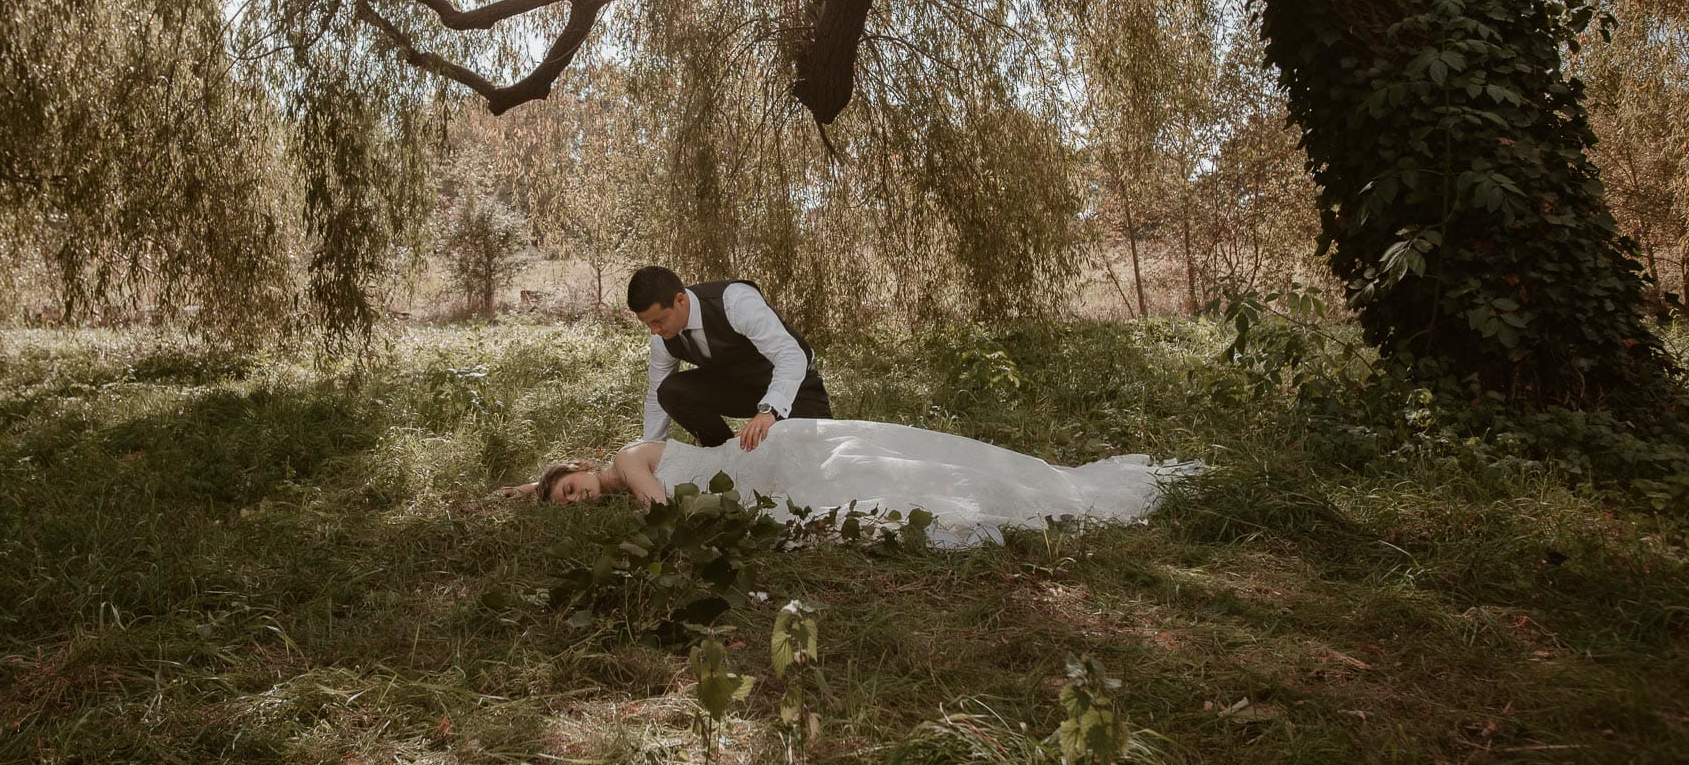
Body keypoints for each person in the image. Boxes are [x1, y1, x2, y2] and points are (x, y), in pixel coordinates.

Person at [506, 419, 1198, 549]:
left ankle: (1040, 496)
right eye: (569, 504)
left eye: (569, 488)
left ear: (577, 468)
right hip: (748, 477)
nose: (579, 497)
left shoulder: (628, 459)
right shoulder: (624, 481)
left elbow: (664, 515)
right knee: (859, 485)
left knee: (860, 476)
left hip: (755, 465)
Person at [625, 265, 832, 450]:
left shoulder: (735, 301)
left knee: (807, 457)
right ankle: (723, 454)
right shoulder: (662, 337)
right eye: (648, 324)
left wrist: (770, 410)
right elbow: (655, 396)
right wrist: (647, 449)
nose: (654, 330)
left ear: (680, 300)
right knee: (670, 391)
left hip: (794, 391)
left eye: (659, 320)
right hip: (739, 390)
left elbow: (791, 356)